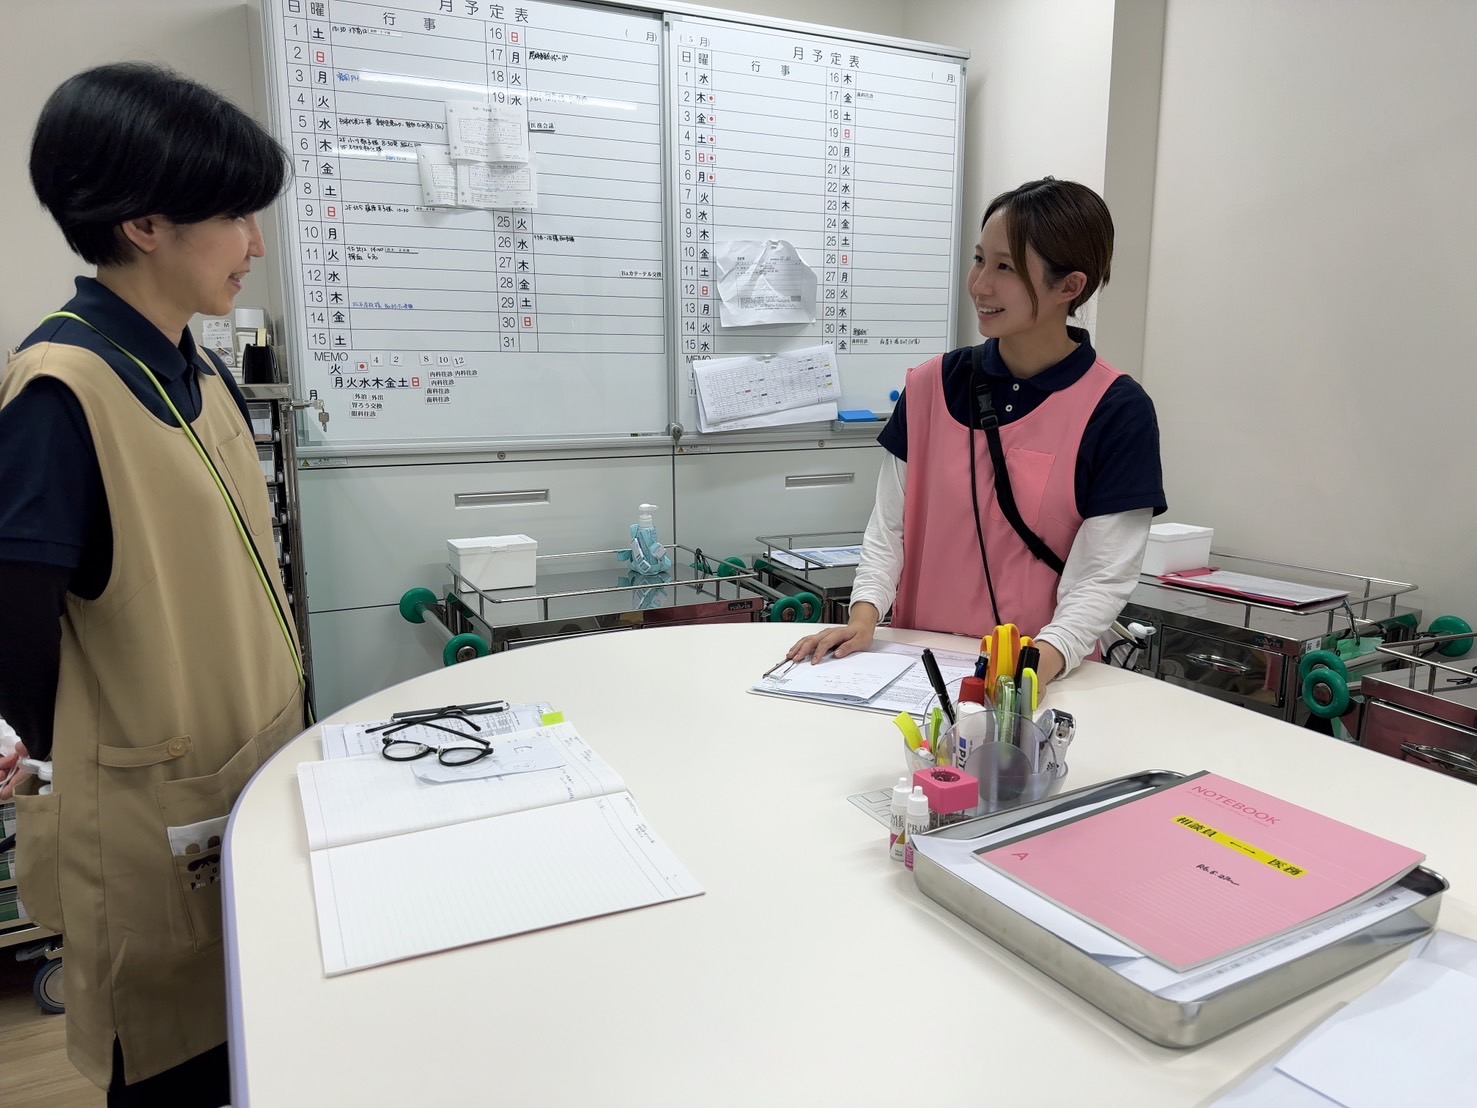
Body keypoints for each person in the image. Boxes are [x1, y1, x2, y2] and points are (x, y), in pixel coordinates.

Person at [0, 64, 305, 1106]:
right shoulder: (60, 392)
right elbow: (16, 639)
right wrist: (79, 764)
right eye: (234, 215)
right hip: (151, 819)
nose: (254, 243)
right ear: (143, 223)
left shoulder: (192, 366)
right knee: (176, 1063)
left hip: (241, 780)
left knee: (255, 1046)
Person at [789, 178, 1165, 687]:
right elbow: (888, 530)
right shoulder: (930, 386)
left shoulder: (1116, 410)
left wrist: (1035, 668)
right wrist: (864, 617)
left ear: (1069, 287)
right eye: (979, 259)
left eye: (1005, 267)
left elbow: (1103, 576)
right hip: (915, 670)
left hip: (1037, 685)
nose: (980, 284)